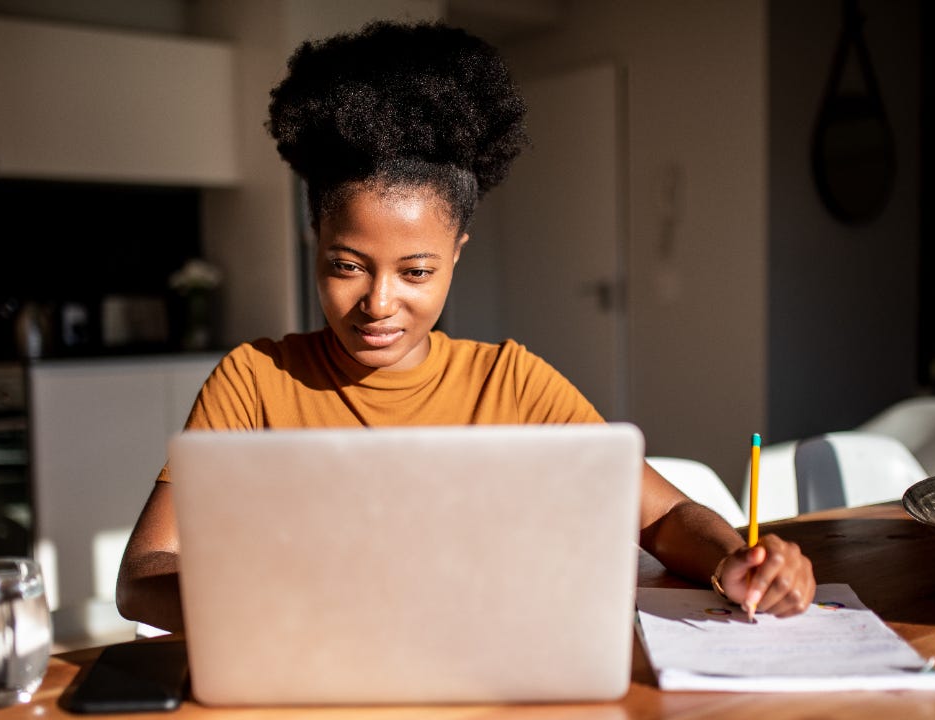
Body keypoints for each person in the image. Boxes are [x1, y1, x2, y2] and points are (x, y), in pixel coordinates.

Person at [116, 20, 814, 634]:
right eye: (346, 266)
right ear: (314, 241)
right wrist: (274, 602)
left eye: (415, 272)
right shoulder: (254, 382)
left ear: (455, 257)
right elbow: (143, 573)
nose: (379, 302)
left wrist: (737, 561)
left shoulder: (511, 384)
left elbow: (662, 519)